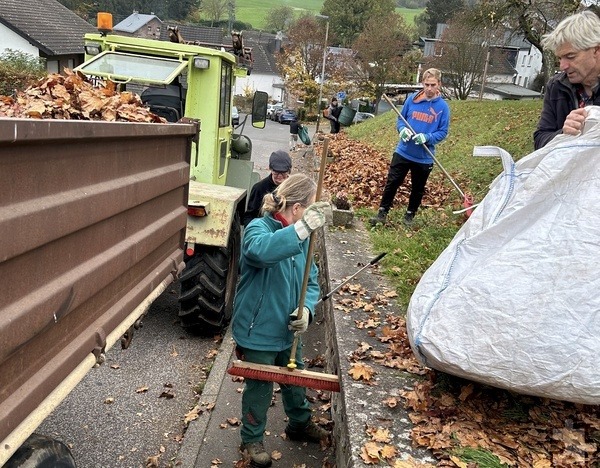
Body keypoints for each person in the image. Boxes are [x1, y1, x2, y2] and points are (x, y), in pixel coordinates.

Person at [231, 173, 330, 467]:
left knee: (295, 378)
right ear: (298, 209)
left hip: (289, 330)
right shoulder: (257, 228)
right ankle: (251, 438)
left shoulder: (304, 239)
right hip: (258, 329)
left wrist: (307, 311)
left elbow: (310, 281)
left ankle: (299, 424)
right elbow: (261, 252)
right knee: (260, 388)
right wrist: (302, 229)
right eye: (311, 207)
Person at [370, 68, 450, 226]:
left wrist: (427, 137)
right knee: (392, 182)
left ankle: (409, 215)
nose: (429, 88)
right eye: (426, 84)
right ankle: (382, 213)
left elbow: (443, 132)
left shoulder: (443, 107)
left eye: (433, 85)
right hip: (404, 151)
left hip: (424, 157)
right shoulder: (412, 100)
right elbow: (401, 120)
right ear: (422, 83)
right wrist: (402, 130)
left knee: (418, 188)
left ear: (439, 84)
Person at [534, 10, 600, 150]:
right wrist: (563, 133)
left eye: (570, 56)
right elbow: (540, 140)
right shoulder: (557, 86)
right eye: (559, 58)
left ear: (596, 50)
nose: (563, 66)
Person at [242, 150, 292, 226]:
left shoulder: (294, 188)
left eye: (283, 172)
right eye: (276, 172)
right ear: (270, 169)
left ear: (289, 171)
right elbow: (249, 217)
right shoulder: (259, 188)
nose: (280, 176)